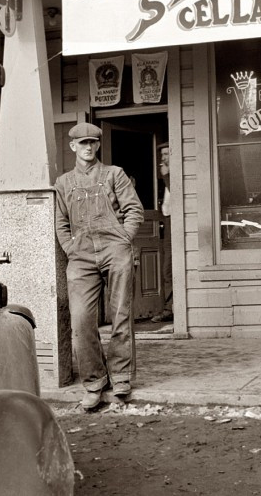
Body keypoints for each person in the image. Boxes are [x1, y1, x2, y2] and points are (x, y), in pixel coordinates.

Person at [54, 123, 144, 410]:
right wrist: (70, 248)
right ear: (73, 147)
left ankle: (120, 378)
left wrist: (123, 239)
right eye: (83, 143)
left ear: (98, 145)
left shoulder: (114, 174)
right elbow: (61, 222)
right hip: (80, 257)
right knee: (81, 320)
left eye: (92, 142)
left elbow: (134, 210)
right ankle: (94, 382)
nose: (88, 147)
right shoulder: (64, 183)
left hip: (114, 250)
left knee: (120, 314)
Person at [152, 142, 173, 323]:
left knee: (169, 269)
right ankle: (169, 307)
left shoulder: (173, 176)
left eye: (167, 154)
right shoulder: (165, 176)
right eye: (162, 155)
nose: (163, 158)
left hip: (175, 224)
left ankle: (170, 309)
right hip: (166, 223)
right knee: (166, 269)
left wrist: (166, 176)